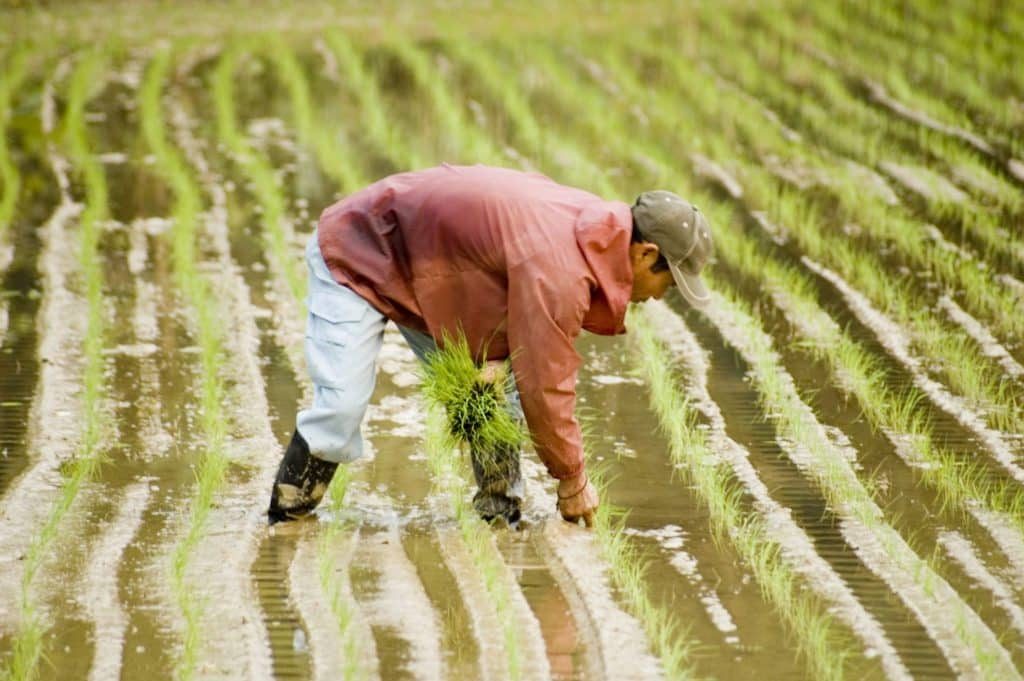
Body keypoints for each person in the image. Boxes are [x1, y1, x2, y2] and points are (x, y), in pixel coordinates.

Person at [266, 164, 713, 527]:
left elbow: (514, 301)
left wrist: (498, 361)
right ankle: (286, 520)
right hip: (359, 249)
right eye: (667, 282)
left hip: (433, 272)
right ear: (646, 253)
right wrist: (572, 480)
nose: (659, 296)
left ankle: (499, 520)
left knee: (488, 397)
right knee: (341, 408)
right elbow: (546, 386)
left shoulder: (595, 231)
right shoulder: (562, 267)